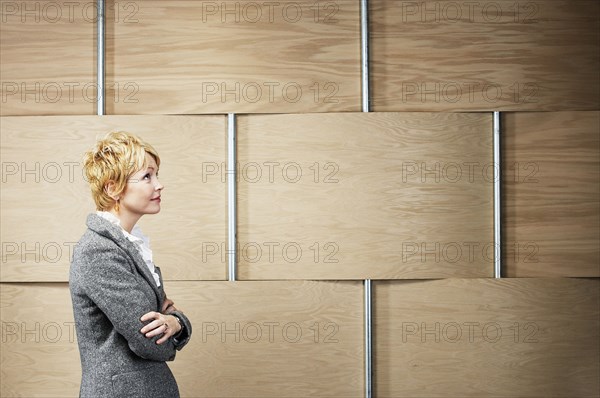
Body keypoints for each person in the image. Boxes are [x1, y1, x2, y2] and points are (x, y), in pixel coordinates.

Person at [70, 131, 192, 397]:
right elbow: (151, 342)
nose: (159, 185)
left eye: (157, 175)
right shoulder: (99, 251)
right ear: (113, 188)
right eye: (147, 176)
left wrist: (173, 321)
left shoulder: (129, 245)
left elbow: (161, 316)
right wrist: (178, 322)